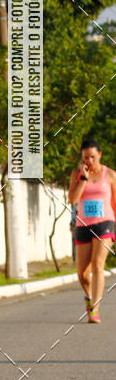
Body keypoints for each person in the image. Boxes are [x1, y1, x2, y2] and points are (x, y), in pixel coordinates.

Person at [68, 137, 116, 323]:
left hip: (105, 223)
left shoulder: (110, 175)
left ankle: (95, 309)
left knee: (97, 264)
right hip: (83, 225)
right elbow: (73, 200)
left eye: (92, 157)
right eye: (85, 157)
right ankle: (89, 297)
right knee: (82, 274)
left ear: (100, 155)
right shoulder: (77, 174)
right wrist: (83, 178)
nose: (89, 160)